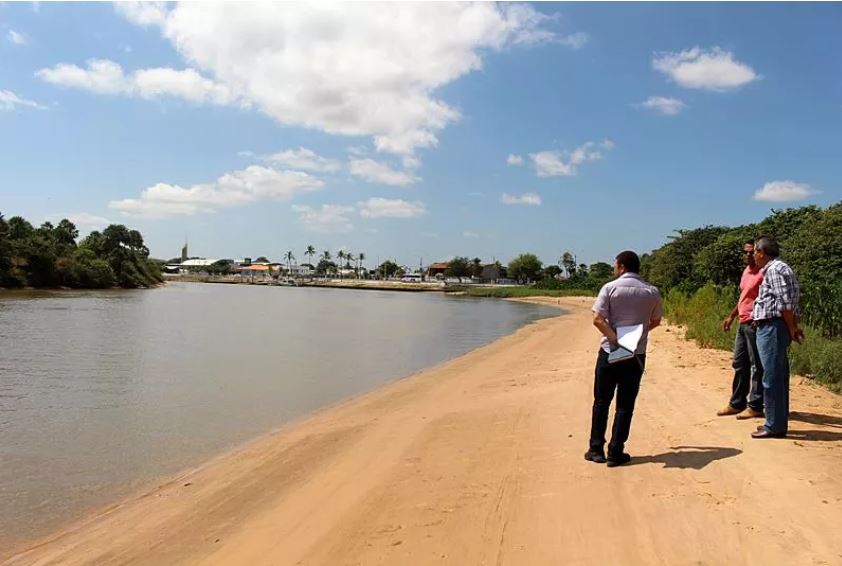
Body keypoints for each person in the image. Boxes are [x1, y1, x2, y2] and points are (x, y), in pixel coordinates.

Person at [586, 251, 663, 467]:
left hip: (610, 350)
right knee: (625, 404)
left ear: (621, 266)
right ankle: (615, 451)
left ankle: (595, 449)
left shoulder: (610, 288)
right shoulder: (651, 291)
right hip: (635, 353)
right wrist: (634, 335)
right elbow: (656, 320)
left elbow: (597, 320)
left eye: (615, 266)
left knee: (602, 401)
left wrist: (617, 339)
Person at [750, 236, 804, 439]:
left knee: (771, 377)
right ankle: (776, 422)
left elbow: (785, 304)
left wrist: (791, 328)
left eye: (755, 252)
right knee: (777, 376)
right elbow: (788, 302)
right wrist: (792, 327)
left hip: (772, 327)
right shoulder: (780, 268)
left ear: (762, 253)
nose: (753, 256)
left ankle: (774, 425)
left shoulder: (774, 270)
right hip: (776, 326)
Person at [717, 239, 765, 419]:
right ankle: (737, 403)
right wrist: (732, 316)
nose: (747, 255)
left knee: (756, 365)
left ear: (758, 252)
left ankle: (756, 405)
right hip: (743, 322)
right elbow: (743, 297)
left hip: (755, 323)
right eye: (745, 252)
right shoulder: (746, 271)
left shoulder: (764, 272)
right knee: (739, 363)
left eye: (750, 252)